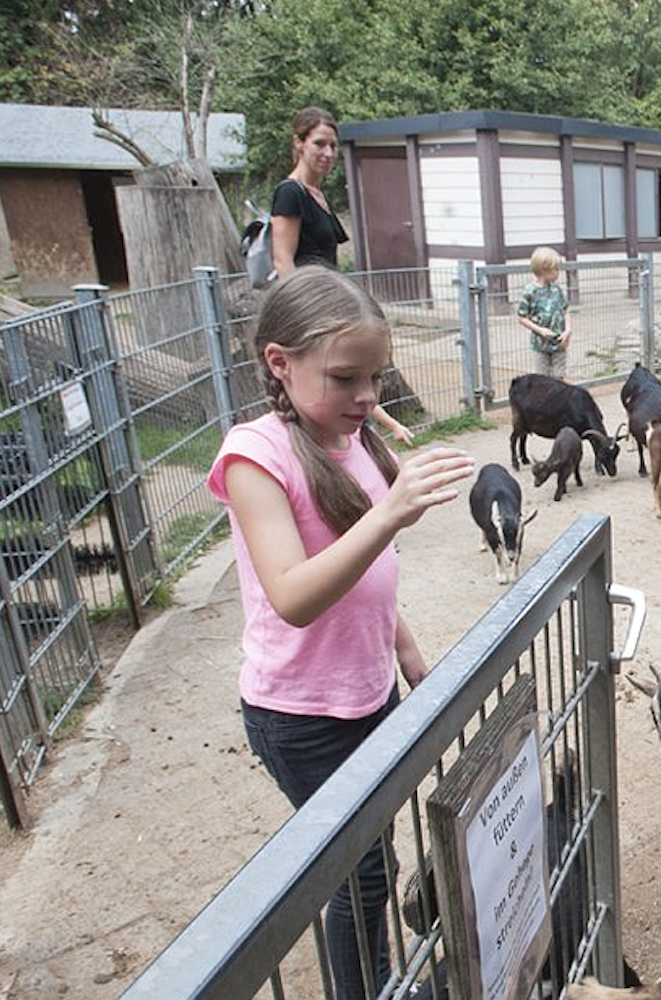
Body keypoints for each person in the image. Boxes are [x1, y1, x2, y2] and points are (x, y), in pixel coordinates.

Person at [206, 266, 474, 998]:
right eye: (345, 377)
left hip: (367, 693)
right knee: (359, 876)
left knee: (371, 859)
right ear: (279, 364)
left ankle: (376, 981)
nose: (365, 397)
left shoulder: (349, 437)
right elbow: (293, 595)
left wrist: (410, 653)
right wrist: (389, 513)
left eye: (376, 379)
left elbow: (370, 578)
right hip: (298, 714)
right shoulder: (255, 457)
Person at [271, 105, 413, 444]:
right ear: (299, 143)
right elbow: (282, 260)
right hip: (311, 309)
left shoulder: (318, 196)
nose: (328, 153)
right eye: (319, 143)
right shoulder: (290, 193)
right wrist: (305, 318)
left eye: (333, 146)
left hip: (333, 302)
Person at [517, 246, 571, 379]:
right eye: (555, 270)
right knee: (543, 380)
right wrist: (541, 331)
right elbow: (521, 317)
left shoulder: (556, 289)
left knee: (559, 378)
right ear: (544, 270)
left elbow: (566, 309)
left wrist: (568, 330)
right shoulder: (529, 291)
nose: (558, 273)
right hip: (540, 345)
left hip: (559, 343)